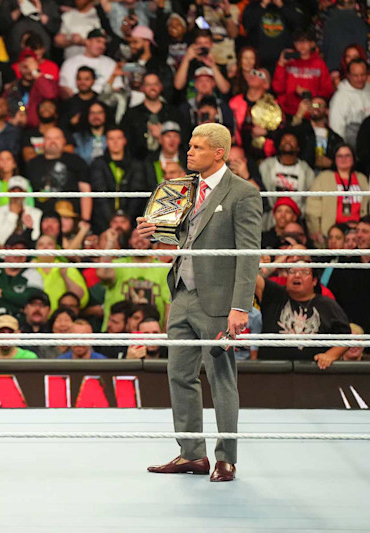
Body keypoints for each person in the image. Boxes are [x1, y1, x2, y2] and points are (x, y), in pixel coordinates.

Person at [138, 123, 262, 482]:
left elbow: (248, 253)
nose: (189, 152)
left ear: (219, 153)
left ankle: (226, 458)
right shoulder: (185, 189)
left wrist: (241, 306)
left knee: (221, 379)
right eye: (189, 146)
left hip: (220, 301)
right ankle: (191, 453)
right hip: (182, 294)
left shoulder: (243, 193)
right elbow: (182, 235)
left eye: (197, 147)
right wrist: (153, 232)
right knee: (179, 374)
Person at [254, 263, 350, 368]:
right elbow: (251, 277)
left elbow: (346, 336)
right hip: (272, 370)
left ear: (314, 281)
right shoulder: (274, 295)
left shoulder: (327, 305)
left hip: (311, 372)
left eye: (304, 272)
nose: (297, 275)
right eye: (292, 271)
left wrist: (330, 355)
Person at [306, 144, 370, 247]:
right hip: (331, 233)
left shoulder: (361, 178)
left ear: (353, 158)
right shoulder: (324, 178)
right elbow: (312, 206)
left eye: (347, 155)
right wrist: (315, 230)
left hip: (357, 234)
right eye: (339, 156)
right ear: (334, 159)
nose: (343, 159)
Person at [328, 59, 370, 149]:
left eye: (363, 75)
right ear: (348, 75)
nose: (360, 79)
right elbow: (337, 130)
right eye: (355, 75)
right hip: (352, 147)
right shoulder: (340, 97)